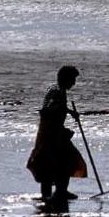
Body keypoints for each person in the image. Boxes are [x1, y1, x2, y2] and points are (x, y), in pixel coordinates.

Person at [26, 66, 88, 201]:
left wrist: (70, 112)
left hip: (53, 133)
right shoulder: (56, 91)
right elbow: (49, 109)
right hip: (51, 134)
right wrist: (64, 113)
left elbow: (58, 107)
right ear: (65, 79)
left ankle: (58, 192)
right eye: (72, 79)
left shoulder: (59, 91)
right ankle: (54, 193)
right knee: (59, 161)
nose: (74, 83)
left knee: (59, 161)